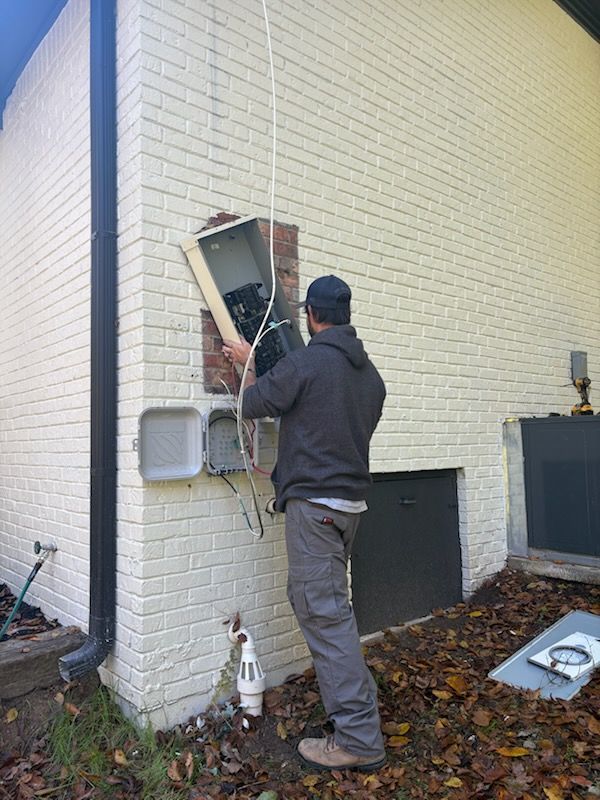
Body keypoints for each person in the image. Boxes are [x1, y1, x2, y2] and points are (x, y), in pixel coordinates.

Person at [222, 274, 386, 771]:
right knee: (329, 609)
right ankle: (358, 711)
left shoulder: (307, 362)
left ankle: (358, 739)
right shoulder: (370, 375)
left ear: (311, 316)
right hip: (348, 508)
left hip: (314, 509)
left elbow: (251, 405)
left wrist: (247, 367)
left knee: (325, 615)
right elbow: (331, 425)